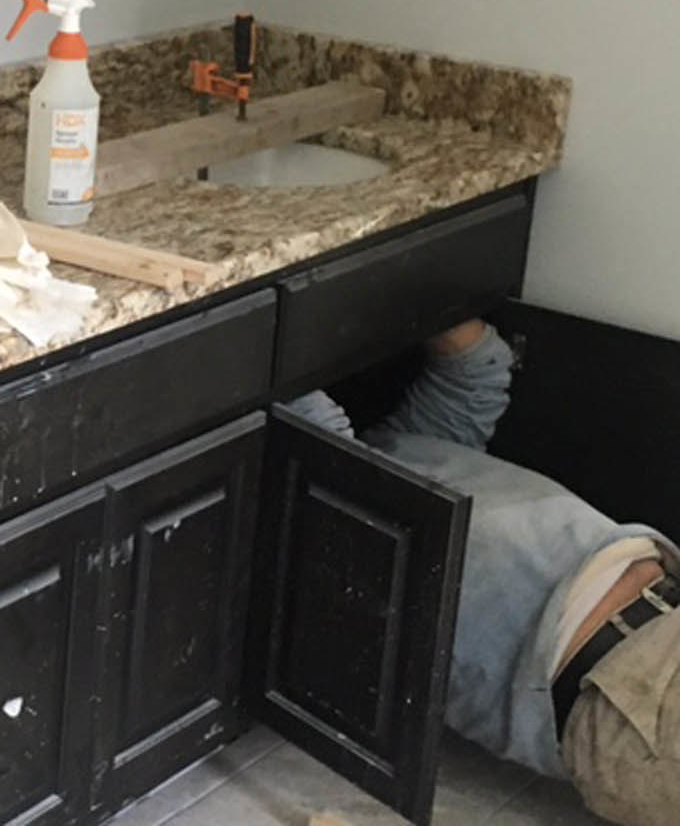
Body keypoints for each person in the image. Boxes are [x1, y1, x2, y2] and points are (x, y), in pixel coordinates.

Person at [288, 319, 680, 826]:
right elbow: (472, 371)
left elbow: (473, 368)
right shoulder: (388, 483)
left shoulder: (376, 496)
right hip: (627, 663)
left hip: (619, 666)